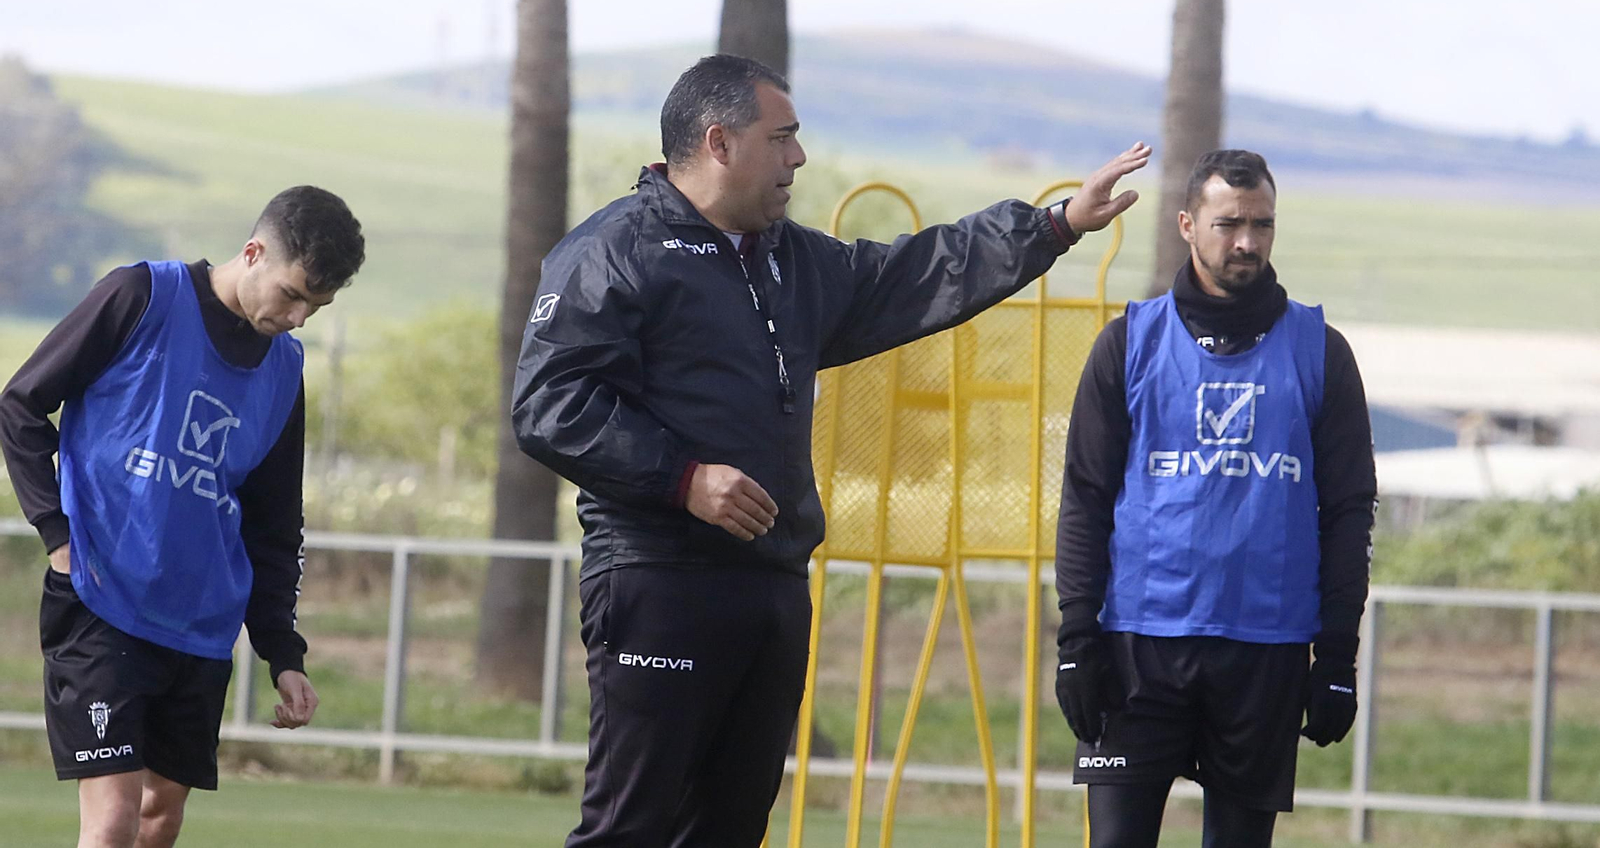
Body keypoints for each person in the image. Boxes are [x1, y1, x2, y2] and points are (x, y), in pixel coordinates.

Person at [512, 53, 1150, 847]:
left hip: (773, 585)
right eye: (782, 138)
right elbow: (547, 403)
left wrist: (1051, 226)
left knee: (730, 829)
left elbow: (916, 273)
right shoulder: (613, 251)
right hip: (658, 579)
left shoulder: (790, 258)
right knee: (630, 829)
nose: (798, 158)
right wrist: (683, 478)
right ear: (719, 142)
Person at [0, 186, 365, 848]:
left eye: (318, 305)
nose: (301, 317)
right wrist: (57, 538)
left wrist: (282, 652)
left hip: (201, 625)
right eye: (292, 293)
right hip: (102, 600)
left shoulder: (285, 368)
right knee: (110, 821)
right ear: (253, 253)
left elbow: (274, 525)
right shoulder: (141, 296)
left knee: (157, 821)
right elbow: (20, 406)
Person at [1053, 149, 1377, 847]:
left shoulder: (1322, 353)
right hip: (1138, 646)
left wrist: (1338, 657)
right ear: (1187, 225)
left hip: (1267, 649)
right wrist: (1077, 639)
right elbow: (1084, 497)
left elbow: (1349, 515)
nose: (1247, 242)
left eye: (1262, 225)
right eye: (1229, 224)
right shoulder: (1128, 345)